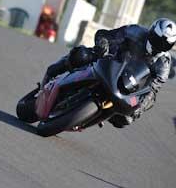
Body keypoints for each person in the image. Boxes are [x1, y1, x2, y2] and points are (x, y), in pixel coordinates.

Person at [42, 18, 175, 128]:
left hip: (126, 85)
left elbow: (152, 90)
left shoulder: (164, 63)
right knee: (82, 55)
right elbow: (105, 35)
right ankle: (53, 72)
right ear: (151, 32)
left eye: (165, 44)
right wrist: (103, 45)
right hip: (108, 61)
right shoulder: (135, 31)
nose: (160, 46)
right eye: (158, 40)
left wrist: (138, 110)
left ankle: (91, 117)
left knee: (125, 119)